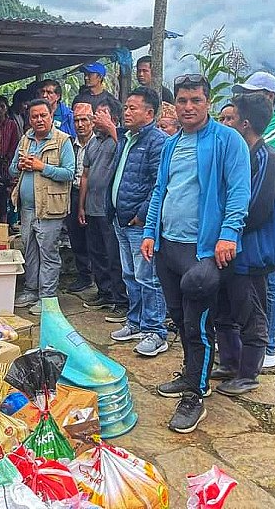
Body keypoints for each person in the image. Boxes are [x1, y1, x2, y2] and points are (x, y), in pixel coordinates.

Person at [141, 74, 250, 433]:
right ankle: (190, 375)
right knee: (179, 318)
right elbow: (160, 191)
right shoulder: (173, 144)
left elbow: (238, 190)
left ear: (208, 103)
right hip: (168, 245)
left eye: (196, 100)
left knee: (198, 324)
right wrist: (149, 233)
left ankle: (196, 395)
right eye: (183, 101)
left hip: (202, 250)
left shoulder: (226, 140)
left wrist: (229, 234)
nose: (189, 107)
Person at [213, 93, 275, 395]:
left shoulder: (267, 158)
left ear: (245, 123)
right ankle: (230, 362)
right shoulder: (244, 154)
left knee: (251, 312)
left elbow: (255, 210)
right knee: (226, 309)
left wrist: (226, 227)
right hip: (235, 248)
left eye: (232, 117)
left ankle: (248, 373)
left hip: (254, 251)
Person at [233, 71, 275, 370]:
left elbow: (257, 208)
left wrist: (232, 226)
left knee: (264, 293)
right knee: (253, 295)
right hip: (252, 241)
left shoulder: (268, 153)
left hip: (261, 242)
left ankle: (266, 348)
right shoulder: (254, 150)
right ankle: (254, 350)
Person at [100, 87, 169, 357]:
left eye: (133, 108)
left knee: (148, 277)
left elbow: (157, 187)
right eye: (126, 108)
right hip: (121, 219)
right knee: (130, 274)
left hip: (139, 223)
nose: (126, 112)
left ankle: (155, 331)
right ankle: (136, 322)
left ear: (149, 113)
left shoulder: (157, 141)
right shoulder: (128, 138)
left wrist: (140, 215)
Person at [11, 98, 75, 315]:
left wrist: (42, 167)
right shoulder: (26, 139)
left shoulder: (62, 140)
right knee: (30, 250)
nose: (39, 120)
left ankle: (47, 297)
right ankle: (31, 290)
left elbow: (69, 173)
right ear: (29, 119)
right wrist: (19, 165)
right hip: (28, 208)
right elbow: (12, 169)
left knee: (48, 253)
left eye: (43, 115)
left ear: (51, 116)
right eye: (34, 116)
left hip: (50, 207)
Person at [78, 99, 128, 315]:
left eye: (102, 114)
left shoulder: (121, 139)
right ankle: (104, 293)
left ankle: (121, 300)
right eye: (95, 113)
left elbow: (125, 153)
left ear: (114, 118)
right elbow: (85, 176)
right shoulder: (93, 142)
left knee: (114, 256)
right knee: (96, 253)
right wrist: (81, 205)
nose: (96, 117)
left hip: (109, 210)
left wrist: (111, 128)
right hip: (91, 207)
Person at [64, 97, 95, 293]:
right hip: (73, 193)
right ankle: (84, 276)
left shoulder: (99, 143)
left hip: (93, 196)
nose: (80, 124)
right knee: (76, 237)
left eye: (84, 120)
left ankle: (100, 278)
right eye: (76, 120)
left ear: (92, 121)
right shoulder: (69, 144)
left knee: (95, 238)